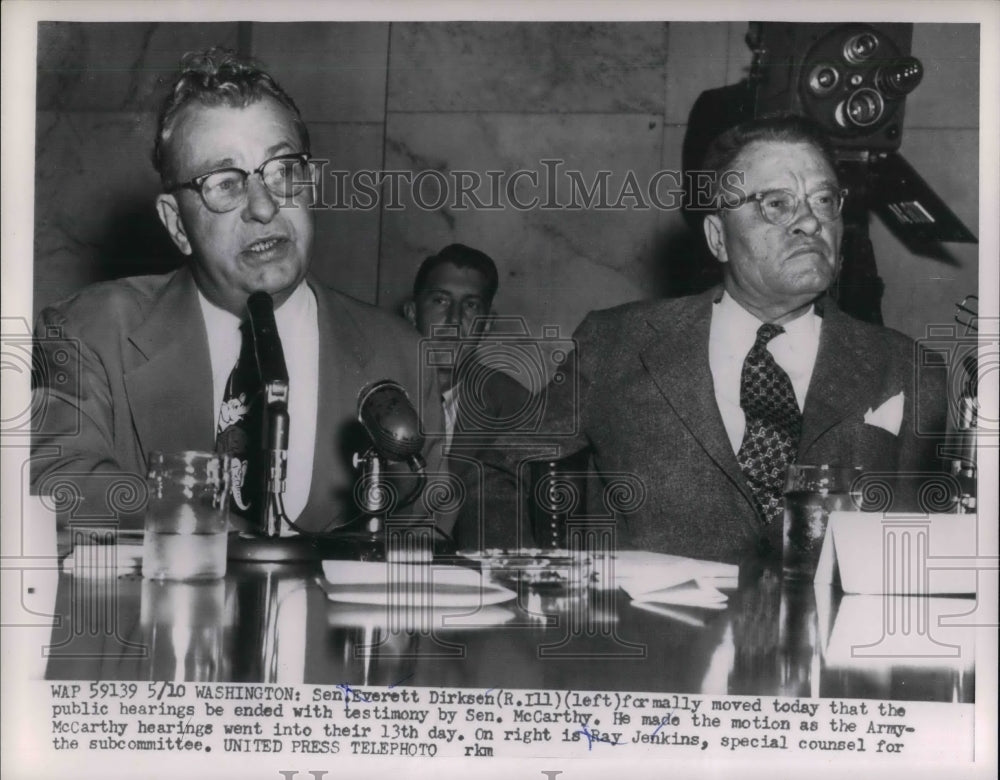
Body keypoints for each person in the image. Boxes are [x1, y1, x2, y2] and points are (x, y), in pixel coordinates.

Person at [466, 114, 947, 564]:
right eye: (776, 203)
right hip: (654, 647)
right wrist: (524, 607)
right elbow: (502, 475)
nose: (810, 221)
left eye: (824, 200)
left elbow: (941, 532)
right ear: (718, 237)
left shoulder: (906, 368)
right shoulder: (615, 344)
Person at [30, 48, 443, 534]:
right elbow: (51, 484)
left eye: (283, 171)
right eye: (224, 184)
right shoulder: (91, 333)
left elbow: (424, 545)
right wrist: (210, 524)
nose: (264, 208)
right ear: (176, 224)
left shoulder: (400, 355)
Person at [403, 244, 533, 549]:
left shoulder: (515, 406)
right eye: (440, 301)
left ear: (486, 325)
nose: (453, 320)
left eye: (471, 306)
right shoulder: (370, 391)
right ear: (411, 313)